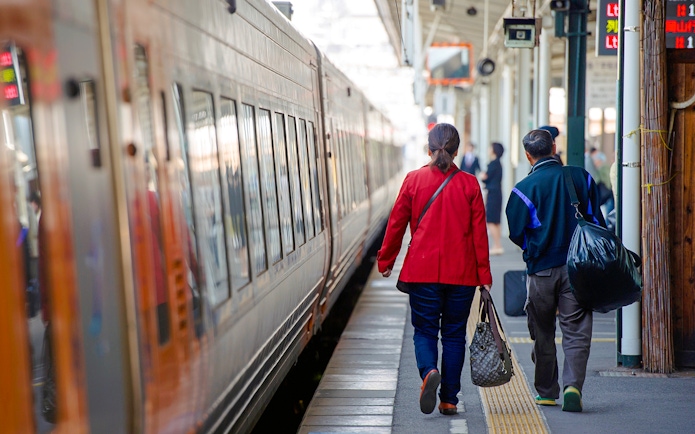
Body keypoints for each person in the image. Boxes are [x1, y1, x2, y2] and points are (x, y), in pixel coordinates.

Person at [377, 123, 492, 416]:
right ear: (456, 152)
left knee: (425, 331)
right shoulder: (469, 184)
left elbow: (396, 224)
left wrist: (386, 260)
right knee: (454, 335)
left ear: (429, 149)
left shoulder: (413, 180)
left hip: (422, 272)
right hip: (462, 275)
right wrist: (484, 277)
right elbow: (480, 235)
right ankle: (449, 399)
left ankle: (428, 371)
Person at [505, 129, 606, 413]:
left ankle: (547, 392)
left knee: (543, 330)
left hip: (541, 271)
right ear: (554, 147)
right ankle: (573, 386)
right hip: (578, 269)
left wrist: (536, 246)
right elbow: (595, 220)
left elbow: (516, 232)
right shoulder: (580, 177)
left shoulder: (523, 189)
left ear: (528, 155)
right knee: (576, 330)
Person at [480, 142, 504, 255]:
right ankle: (497, 244)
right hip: (497, 193)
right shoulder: (498, 164)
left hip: (492, 194)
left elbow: (486, 177)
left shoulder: (493, 164)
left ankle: (497, 245)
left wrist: (482, 177)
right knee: (496, 220)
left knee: (490, 220)